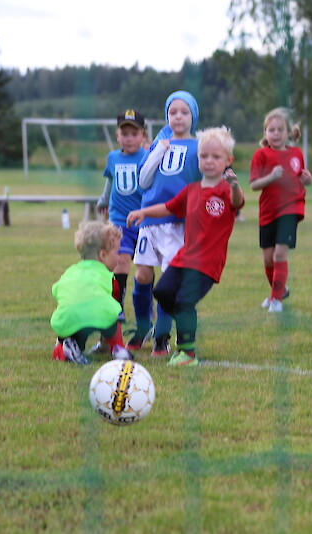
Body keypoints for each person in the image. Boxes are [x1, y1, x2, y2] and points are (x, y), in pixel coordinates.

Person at [127, 126, 244, 367]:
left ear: (228, 160)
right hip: (185, 257)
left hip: (207, 263)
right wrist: (143, 212)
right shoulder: (190, 190)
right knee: (161, 293)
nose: (209, 161)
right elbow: (168, 208)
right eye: (204, 156)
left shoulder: (225, 190)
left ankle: (187, 352)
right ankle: (185, 317)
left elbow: (238, 202)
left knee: (183, 301)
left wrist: (234, 185)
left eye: (216, 157)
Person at [127, 90, 202, 357]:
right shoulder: (159, 144)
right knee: (142, 274)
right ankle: (143, 327)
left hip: (177, 224)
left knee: (169, 281)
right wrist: (159, 148)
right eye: (173, 112)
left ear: (193, 116)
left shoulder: (199, 147)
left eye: (184, 112)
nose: (178, 117)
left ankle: (162, 336)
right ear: (166, 116)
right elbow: (144, 181)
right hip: (149, 218)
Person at [249, 107, 312, 313]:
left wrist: (308, 180)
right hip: (268, 212)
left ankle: (276, 300)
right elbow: (254, 185)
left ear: (288, 133)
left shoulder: (296, 153)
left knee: (279, 255)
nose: (275, 134)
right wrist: (271, 177)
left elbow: (301, 179)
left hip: (291, 208)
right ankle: (279, 289)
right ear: (265, 133)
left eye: (280, 130)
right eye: (271, 130)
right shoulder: (261, 155)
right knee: (268, 258)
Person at [50, 220, 134, 365]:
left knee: (71, 315)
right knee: (115, 311)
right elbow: (112, 306)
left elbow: (56, 290)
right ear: (103, 255)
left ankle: (62, 347)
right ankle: (117, 348)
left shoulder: (70, 272)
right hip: (96, 318)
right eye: (117, 252)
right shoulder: (109, 277)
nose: (119, 258)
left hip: (67, 322)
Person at [96, 109, 149, 323]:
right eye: (124, 134)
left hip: (144, 221)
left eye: (134, 134)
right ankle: (117, 307)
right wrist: (103, 200)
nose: (129, 138)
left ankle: (145, 305)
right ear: (117, 136)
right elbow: (110, 182)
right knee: (121, 261)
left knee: (145, 268)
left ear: (143, 136)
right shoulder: (113, 157)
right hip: (119, 220)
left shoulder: (147, 158)